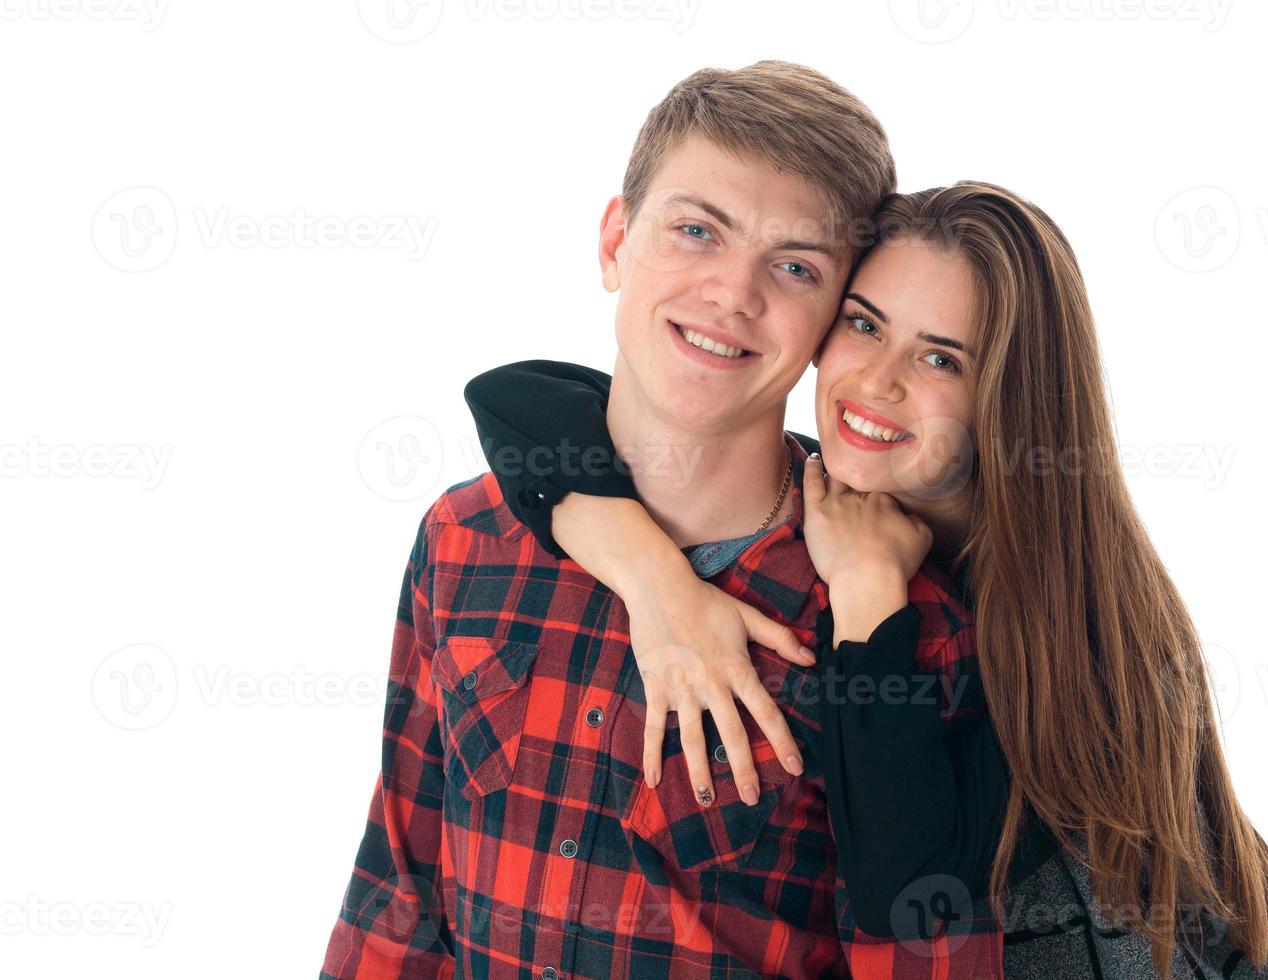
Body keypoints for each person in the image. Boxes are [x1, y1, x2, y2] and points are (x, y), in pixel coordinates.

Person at [463, 182, 1268, 979]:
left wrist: (867, 600)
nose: (877, 381)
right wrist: (655, 579)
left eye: (941, 358)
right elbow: (520, 395)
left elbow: (902, 883)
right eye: (863, 324)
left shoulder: (1028, 634)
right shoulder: (845, 496)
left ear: (1008, 395)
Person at [320, 62, 1006, 979]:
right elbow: (401, 898)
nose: (732, 293)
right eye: (695, 231)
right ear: (614, 242)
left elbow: (924, 959)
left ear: (829, 326)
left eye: (794, 265)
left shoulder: (897, 625)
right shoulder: (465, 538)